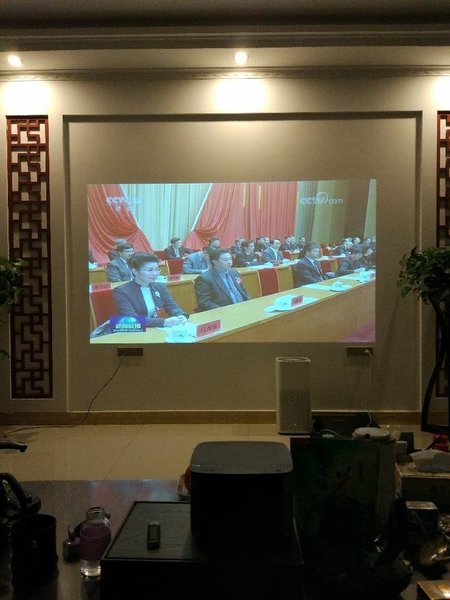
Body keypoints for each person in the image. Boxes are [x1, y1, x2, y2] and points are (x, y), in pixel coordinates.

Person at [113, 252, 188, 328]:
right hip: (134, 329)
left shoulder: (160, 286)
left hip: (155, 329)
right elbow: (131, 319)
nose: (155, 273)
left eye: (157, 269)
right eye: (150, 270)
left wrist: (181, 316)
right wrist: (163, 322)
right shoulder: (122, 291)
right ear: (135, 271)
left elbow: (172, 306)